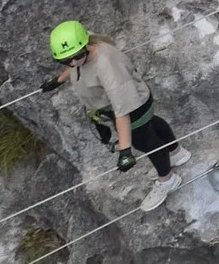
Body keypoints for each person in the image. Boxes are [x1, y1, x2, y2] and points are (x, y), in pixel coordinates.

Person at [41, 21, 188, 212]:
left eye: (76, 56)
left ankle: (167, 179)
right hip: (137, 98)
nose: (72, 62)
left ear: (85, 47)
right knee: (153, 123)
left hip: (133, 106)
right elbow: (75, 65)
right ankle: (177, 153)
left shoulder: (106, 67)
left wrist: (125, 152)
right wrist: (58, 80)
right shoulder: (87, 47)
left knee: (145, 143)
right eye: (65, 60)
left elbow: (123, 111)